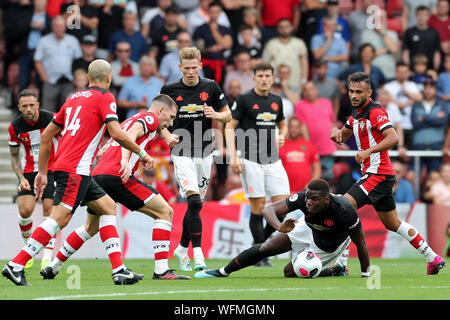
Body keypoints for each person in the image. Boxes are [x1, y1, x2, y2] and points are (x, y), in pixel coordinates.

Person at [1, 59, 154, 286]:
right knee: (57, 220)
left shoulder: (72, 98)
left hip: (70, 167)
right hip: (76, 170)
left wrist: (43, 173)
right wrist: (142, 153)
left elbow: (45, 136)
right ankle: (16, 264)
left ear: (89, 78)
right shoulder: (105, 97)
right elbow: (117, 132)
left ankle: (119, 269)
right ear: (109, 78)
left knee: (108, 207)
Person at [41, 94, 190, 280]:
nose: (170, 122)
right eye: (171, 117)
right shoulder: (150, 118)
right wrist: (126, 161)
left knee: (90, 227)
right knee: (165, 212)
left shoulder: (132, 118)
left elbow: (116, 139)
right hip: (117, 176)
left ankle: (53, 266)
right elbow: (131, 135)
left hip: (98, 176)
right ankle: (161, 270)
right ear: (161, 110)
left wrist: (107, 152)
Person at [330, 71, 446, 275]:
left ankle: (341, 263)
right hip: (379, 174)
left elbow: (393, 138)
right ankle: (433, 258)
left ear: (369, 92)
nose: (354, 95)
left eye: (359, 91)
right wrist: (336, 134)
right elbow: (344, 134)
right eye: (351, 91)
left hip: (378, 173)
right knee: (393, 223)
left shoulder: (375, 111)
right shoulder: (355, 112)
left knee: (344, 207)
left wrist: (368, 151)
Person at [194, 179, 371, 279]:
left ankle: (336, 269)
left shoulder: (345, 211)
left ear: (326, 199)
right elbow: (268, 209)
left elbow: (361, 243)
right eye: (308, 197)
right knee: (267, 247)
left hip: (330, 242)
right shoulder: (304, 198)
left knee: (289, 273)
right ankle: (223, 271)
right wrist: (280, 227)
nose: (309, 201)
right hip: (307, 227)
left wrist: (366, 274)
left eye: (314, 199)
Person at [159, 47, 231, 271]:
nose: (191, 72)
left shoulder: (210, 87)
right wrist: (167, 134)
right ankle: (198, 255)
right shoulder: (169, 89)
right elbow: (156, 117)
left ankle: (181, 248)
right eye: (186, 68)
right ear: (180, 67)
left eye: (194, 67)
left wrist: (215, 115)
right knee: (193, 200)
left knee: (195, 205)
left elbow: (227, 114)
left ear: (200, 65)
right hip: (181, 153)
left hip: (205, 152)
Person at [224, 62, 290, 267]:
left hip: (273, 160)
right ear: (254, 78)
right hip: (251, 159)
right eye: (260, 75)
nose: (263, 79)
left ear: (272, 78)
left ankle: (257, 245)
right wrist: (233, 157)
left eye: (267, 75)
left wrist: (283, 136)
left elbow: (282, 124)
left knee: (283, 207)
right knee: (258, 207)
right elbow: (229, 127)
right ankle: (261, 255)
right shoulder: (244, 99)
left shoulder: (276, 100)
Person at [8, 89, 58, 270]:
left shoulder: (52, 118)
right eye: (25, 106)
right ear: (19, 107)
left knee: (49, 210)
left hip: (51, 169)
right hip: (29, 171)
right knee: (25, 211)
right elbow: (14, 157)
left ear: (37, 105)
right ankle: (29, 250)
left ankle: (47, 257)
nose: (29, 109)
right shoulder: (15, 126)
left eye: (32, 105)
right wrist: (20, 177)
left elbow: (66, 139)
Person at [34, 15, 82, 113]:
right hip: (50, 81)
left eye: (61, 26)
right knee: (47, 111)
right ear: (52, 27)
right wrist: (44, 77)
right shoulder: (44, 41)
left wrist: (76, 78)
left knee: (69, 110)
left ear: (65, 27)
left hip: (68, 81)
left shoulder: (72, 40)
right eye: (57, 26)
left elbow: (79, 59)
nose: (59, 28)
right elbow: (37, 60)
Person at [295, 81, 336, 180]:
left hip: (328, 148)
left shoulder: (327, 102)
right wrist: (309, 147)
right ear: (303, 93)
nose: (309, 92)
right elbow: (302, 126)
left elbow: (333, 123)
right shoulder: (300, 105)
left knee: (328, 179)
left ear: (316, 90)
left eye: (311, 89)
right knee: (313, 180)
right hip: (312, 150)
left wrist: (338, 142)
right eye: (306, 90)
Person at [410, 76, 447, 174]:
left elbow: (442, 121)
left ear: (435, 89)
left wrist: (424, 118)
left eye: (431, 88)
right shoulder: (416, 104)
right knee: (414, 175)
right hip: (418, 145)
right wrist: (433, 117)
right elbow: (415, 123)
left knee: (434, 175)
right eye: (426, 88)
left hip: (436, 146)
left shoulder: (442, 104)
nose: (428, 90)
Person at [193, 1, 233, 87]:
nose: (214, 14)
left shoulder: (224, 29)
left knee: (219, 89)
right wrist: (211, 49)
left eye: (217, 12)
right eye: (212, 12)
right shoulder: (200, 29)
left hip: (220, 64)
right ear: (208, 12)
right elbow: (199, 48)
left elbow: (228, 45)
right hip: (205, 65)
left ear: (220, 13)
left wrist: (214, 31)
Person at [383, 62, 423, 149]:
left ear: (409, 73)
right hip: (392, 125)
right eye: (400, 72)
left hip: (409, 125)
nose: (402, 74)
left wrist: (405, 90)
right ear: (395, 72)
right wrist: (410, 102)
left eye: (405, 72)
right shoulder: (388, 86)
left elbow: (419, 98)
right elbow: (391, 103)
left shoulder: (412, 85)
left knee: (408, 155)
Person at [262, 18, 308, 93]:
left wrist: (304, 80)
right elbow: (265, 64)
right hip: (275, 84)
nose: (284, 29)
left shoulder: (299, 43)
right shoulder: (271, 44)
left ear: (291, 28)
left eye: (287, 27)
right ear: (278, 29)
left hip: (295, 82)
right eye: (282, 27)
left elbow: (304, 62)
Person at [279, 117, 321, 194]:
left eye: (296, 127)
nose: (293, 130)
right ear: (288, 128)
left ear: (300, 129)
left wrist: (310, 185)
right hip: (285, 190)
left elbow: (317, 169)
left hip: (304, 192)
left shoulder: (309, 145)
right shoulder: (281, 145)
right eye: (291, 127)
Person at [360, 9, 400, 81]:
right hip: (372, 72)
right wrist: (387, 50)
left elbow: (394, 49)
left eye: (381, 18)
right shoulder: (366, 34)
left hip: (389, 72)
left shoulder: (392, 34)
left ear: (386, 20)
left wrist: (383, 34)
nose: (379, 21)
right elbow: (367, 54)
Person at [402, 5, 442, 71]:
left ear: (428, 16)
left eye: (424, 15)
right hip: (413, 69)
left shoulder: (434, 32)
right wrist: (407, 68)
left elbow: (437, 52)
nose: (422, 17)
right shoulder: (409, 32)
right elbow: (406, 51)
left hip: (430, 68)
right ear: (416, 16)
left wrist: (435, 69)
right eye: (419, 15)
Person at [311, 15, 349, 79]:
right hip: (320, 76)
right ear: (323, 27)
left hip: (337, 76)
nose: (330, 28)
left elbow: (345, 57)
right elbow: (317, 55)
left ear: (335, 27)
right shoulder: (316, 38)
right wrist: (328, 40)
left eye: (332, 26)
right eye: (327, 26)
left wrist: (326, 58)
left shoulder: (341, 40)